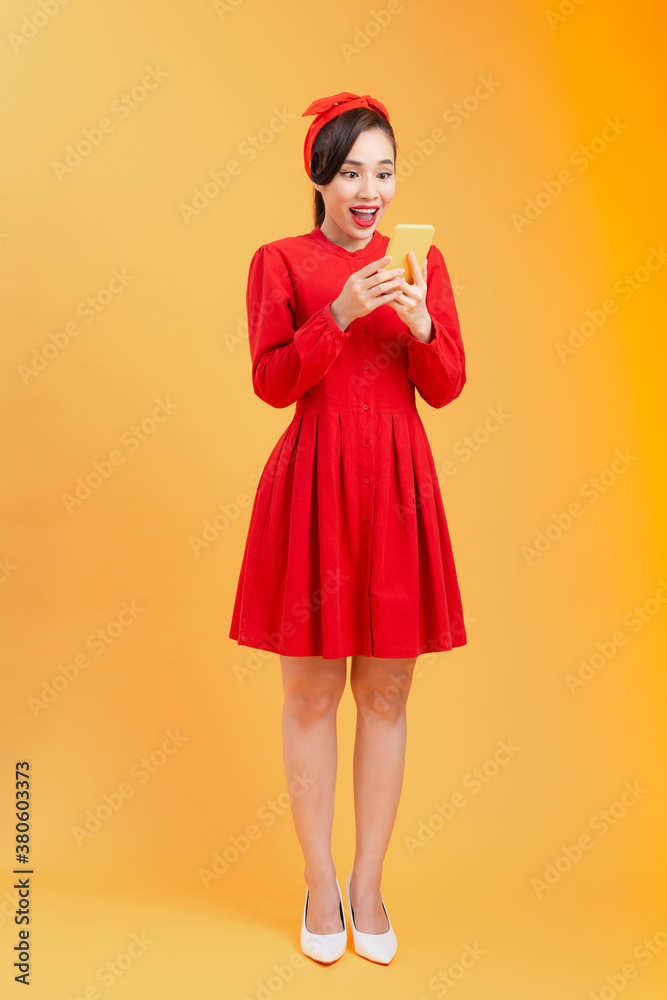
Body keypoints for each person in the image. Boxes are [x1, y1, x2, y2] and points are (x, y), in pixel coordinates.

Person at [228, 92, 468, 964]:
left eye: (385, 171)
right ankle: (319, 882)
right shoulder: (280, 262)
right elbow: (270, 383)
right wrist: (333, 317)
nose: (370, 190)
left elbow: (445, 386)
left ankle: (369, 883)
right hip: (313, 484)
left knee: (388, 693)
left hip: (397, 486)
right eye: (352, 172)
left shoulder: (421, 266)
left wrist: (420, 322)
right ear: (319, 177)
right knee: (309, 693)